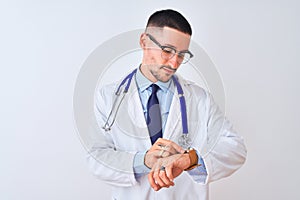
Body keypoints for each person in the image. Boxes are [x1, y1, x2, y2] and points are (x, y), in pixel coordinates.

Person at [87, 9, 247, 200]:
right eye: (168, 51)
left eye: (182, 54)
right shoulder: (108, 97)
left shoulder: (199, 99)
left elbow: (235, 148)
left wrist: (189, 160)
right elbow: (96, 158)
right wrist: (143, 160)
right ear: (144, 41)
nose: (174, 62)